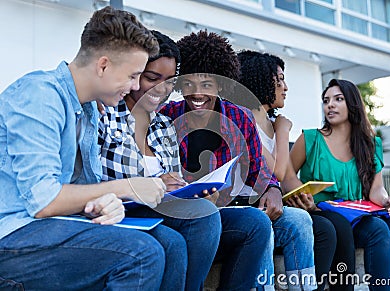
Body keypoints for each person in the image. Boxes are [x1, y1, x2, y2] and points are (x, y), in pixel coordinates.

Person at [0, 7, 189, 290]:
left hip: (53, 225)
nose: (137, 86)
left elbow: (82, 188)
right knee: (141, 254)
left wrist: (105, 203)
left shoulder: (88, 108)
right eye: (133, 75)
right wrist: (128, 187)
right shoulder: (39, 96)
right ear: (103, 65)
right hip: (13, 235)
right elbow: (43, 201)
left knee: (170, 244)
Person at [160, 30, 313, 291]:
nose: (197, 93)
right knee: (251, 222)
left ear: (221, 84)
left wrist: (273, 188)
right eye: (189, 84)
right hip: (191, 217)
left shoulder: (239, 118)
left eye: (207, 84)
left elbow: (259, 170)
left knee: (294, 220)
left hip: (229, 211)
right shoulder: (167, 117)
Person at [98, 30, 221, 291]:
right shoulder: (105, 113)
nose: (161, 89)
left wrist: (189, 191)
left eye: (169, 81)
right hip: (121, 210)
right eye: (152, 78)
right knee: (173, 243)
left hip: (160, 208)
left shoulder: (164, 125)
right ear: (134, 73)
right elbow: (93, 177)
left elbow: (173, 182)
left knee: (224, 216)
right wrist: (153, 183)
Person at [283, 78, 390, 291]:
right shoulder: (310, 139)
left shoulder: (372, 144)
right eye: (326, 100)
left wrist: (389, 200)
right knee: (378, 230)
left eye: (338, 99)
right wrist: (301, 195)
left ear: (352, 104)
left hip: (358, 215)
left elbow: (376, 191)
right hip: (321, 212)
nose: (330, 105)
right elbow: (287, 174)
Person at [233, 50, 317, 290]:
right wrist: (283, 131)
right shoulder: (243, 120)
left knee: (303, 220)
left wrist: (304, 196)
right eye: (279, 80)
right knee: (264, 227)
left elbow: (286, 177)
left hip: (269, 204)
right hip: (246, 206)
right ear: (258, 80)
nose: (285, 87)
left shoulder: (272, 123)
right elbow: (276, 173)